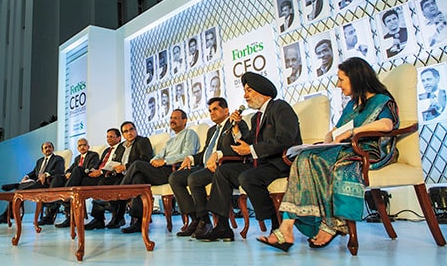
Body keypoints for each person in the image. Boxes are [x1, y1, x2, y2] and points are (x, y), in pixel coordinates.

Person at [257, 57, 399, 252]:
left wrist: (352, 132)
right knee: (303, 159)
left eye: (342, 79)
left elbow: (386, 125)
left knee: (330, 164)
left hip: (367, 151)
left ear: (356, 78)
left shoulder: (382, 101)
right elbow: (339, 127)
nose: (338, 84)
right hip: (344, 148)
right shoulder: (353, 104)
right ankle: (286, 228)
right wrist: (329, 135)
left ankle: (331, 224)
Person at [197, 72, 301, 242]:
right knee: (223, 171)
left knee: (248, 177)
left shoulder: (280, 107)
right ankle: (223, 226)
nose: (245, 96)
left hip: (280, 162)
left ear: (262, 91)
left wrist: (252, 150)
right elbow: (247, 143)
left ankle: (277, 226)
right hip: (261, 164)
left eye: (249, 91)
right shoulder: (257, 117)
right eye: (245, 91)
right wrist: (236, 130)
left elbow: (286, 138)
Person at [169, 97, 249, 237]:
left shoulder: (236, 123)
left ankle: (205, 223)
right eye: (210, 110)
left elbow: (241, 146)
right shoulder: (212, 130)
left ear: (226, 110)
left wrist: (218, 154)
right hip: (205, 166)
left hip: (223, 166)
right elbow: (206, 152)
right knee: (175, 178)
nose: (212, 113)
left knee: (194, 179)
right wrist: (191, 158)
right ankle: (197, 220)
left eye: (215, 109)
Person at [120, 109, 200, 233]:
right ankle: (139, 221)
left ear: (184, 120)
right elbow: (157, 157)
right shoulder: (170, 140)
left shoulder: (189, 134)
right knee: (138, 178)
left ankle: (120, 193)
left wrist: (165, 161)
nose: (172, 120)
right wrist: (155, 161)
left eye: (176, 118)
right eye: (171, 118)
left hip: (175, 169)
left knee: (137, 164)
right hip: (162, 170)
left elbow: (188, 154)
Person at [85, 123, 153, 230]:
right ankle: (98, 219)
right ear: (123, 134)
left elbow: (145, 159)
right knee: (103, 182)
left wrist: (125, 167)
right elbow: (116, 161)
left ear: (135, 130)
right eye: (125, 131)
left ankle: (121, 215)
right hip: (120, 175)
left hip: (134, 173)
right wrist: (113, 168)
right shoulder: (121, 146)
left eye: (131, 129)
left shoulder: (142, 141)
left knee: (126, 184)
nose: (129, 133)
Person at [0, 141, 65, 225]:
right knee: (18, 192)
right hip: (36, 183)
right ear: (42, 151)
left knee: (18, 191)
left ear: (53, 148)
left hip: (47, 183)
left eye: (49, 147)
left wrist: (45, 174)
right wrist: (27, 176)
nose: (48, 149)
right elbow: (34, 172)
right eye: (45, 148)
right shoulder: (40, 161)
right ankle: (6, 215)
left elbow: (59, 170)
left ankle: (6, 215)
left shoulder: (58, 159)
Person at [51, 138, 100, 228]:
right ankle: (56, 197)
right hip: (75, 179)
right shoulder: (77, 158)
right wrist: (68, 173)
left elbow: (93, 167)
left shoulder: (93, 155)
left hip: (87, 179)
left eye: (84, 145)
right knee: (58, 177)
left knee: (77, 169)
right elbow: (70, 168)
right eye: (80, 146)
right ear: (77, 148)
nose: (82, 147)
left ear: (88, 147)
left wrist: (77, 171)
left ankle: (66, 195)